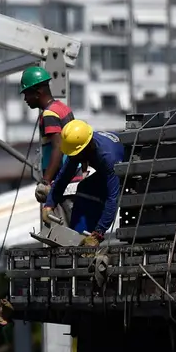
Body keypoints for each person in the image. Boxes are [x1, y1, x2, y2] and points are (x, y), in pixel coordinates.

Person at [40, 119, 125, 247]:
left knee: (93, 190)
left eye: (76, 155)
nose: (74, 159)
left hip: (128, 169)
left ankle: (90, 236)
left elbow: (113, 198)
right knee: (84, 188)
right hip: (108, 167)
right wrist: (49, 205)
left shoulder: (107, 158)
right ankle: (77, 237)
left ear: (87, 147)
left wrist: (99, 233)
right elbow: (63, 178)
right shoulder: (79, 148)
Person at [19, 65, 83, 213]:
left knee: (67, 233)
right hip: (73, 178)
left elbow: (58, 147)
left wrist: (46, 181)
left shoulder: (49, 114)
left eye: (27, 93)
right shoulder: (62, 108)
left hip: (64, 184)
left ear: (38, 92)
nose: (25, 99)